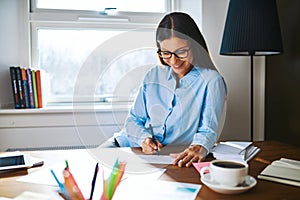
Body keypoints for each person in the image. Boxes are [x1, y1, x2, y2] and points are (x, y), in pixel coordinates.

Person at [102, 12, 227, 168]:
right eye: (166, 53)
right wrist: (143, 139)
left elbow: (207, 129)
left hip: (169, 157)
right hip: (127, 144)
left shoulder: (211, 81)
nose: (174, 61)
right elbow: (133, 120)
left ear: (195, 46)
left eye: (181, 52)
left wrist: (199, 147)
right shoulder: (153, 75)